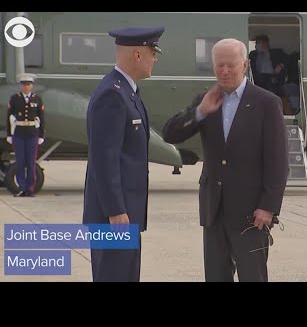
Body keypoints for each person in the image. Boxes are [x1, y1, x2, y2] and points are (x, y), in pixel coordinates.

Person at [162, 38, 288, 282]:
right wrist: (200, 112)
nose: (225, 71)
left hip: (252, 214)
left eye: (231, 65)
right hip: (214, 209)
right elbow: (170, 133)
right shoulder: (206, 100)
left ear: (244, 65)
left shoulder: (266, 103)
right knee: (216, 276)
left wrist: (269, 206)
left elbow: (278, 161)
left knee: (253, 276)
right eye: (219, 65)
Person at [82, 25, 164, 282]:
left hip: (125, 214)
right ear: (138, 55)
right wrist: (116, 210)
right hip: (114, 217)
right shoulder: (113, 94)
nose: (155, 58)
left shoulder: (129, 92)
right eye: (153, 52)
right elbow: (104, 159)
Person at [6, 73, 45, 197]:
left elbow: (42, 118)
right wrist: (9, 134)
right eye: (24, 84)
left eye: (28, 84)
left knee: (30, 162)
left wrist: (41, 135)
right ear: (21, 86)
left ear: (32, 85)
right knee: (20, 162)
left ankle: (30, 188)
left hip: (32, 134)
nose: (26, 87)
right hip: (19, 134)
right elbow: (9, 117)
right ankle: (22, 188)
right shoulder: (15, 98)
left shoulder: (37, 99)